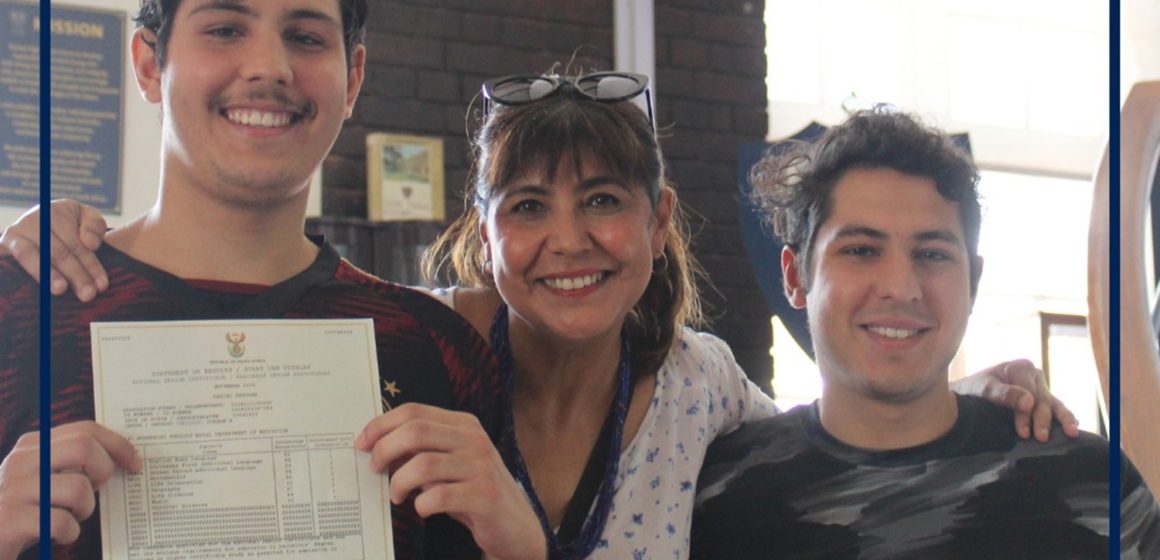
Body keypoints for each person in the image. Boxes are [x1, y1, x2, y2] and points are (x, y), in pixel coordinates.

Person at [4, 77, 1078, 558]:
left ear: (657, 221)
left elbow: (834, 421)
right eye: (528, 206)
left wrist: (976, 388)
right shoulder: (397, 352)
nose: (568, 240)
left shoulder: (700, 385)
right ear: (485, 235)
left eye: (603, 201)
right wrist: (53, 230)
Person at [0, 1, 544, 559]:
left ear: (352, 78)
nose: (269, 66)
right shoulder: (21, 310)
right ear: (147, 63)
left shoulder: (437, 352)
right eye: (225, 29)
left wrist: (524, 552)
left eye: (306, 37)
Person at [690, 109, 1160, 558]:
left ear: (973, 281)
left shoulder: (1095, 487)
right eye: (860, 250)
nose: (900, 287)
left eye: (932, 254)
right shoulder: (716, 503)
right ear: (795, 277)